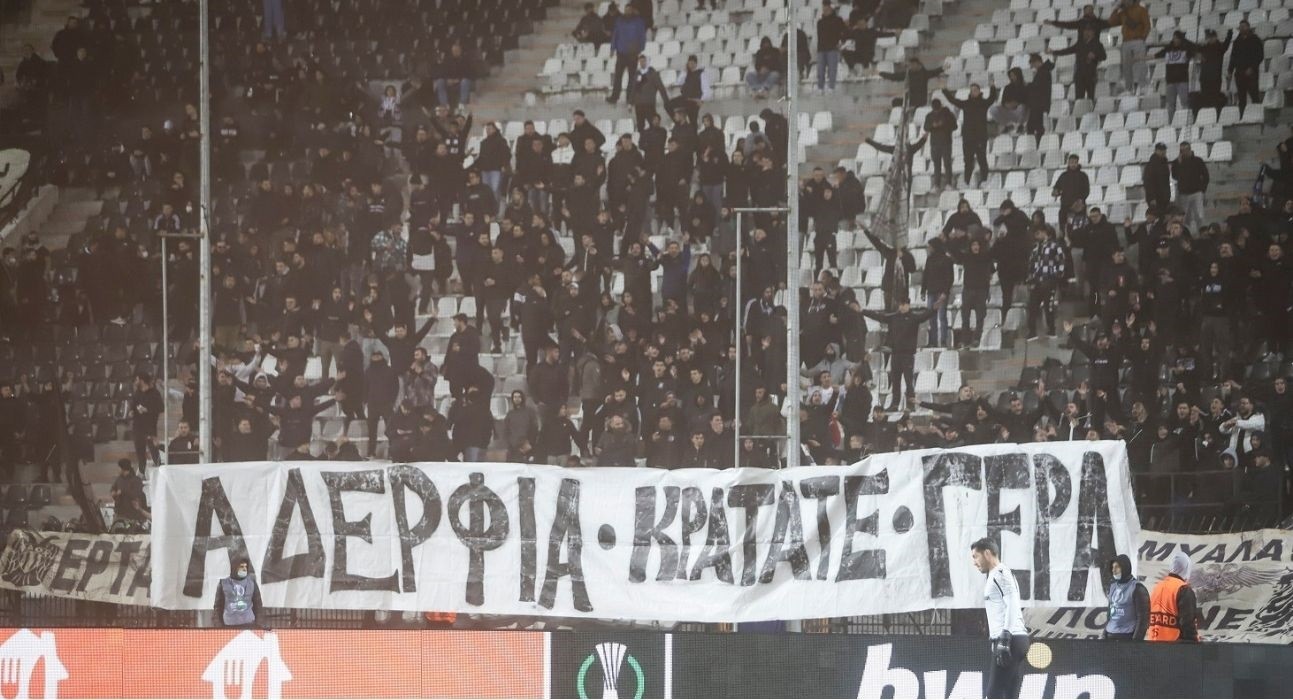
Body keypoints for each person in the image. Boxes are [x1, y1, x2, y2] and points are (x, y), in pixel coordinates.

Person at [970, 538, 1030, 699]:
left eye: (976, 556)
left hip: (1011, 639)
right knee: (1009, 695)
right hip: (1013, 639)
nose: (974, 562)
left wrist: (1005, 637)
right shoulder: (995, 575)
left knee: (994, 694)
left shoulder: (1000, 573)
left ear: (987, 553)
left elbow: (1013, 604)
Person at [1147, 551, 1199, 642]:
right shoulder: (1183, 589)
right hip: (1174, 646)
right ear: (1187, 568)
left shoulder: (1157, 587)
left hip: (1153, 643)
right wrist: (1194, 643)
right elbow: (1188, 624)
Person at [607, 4, 647, 104]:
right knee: (618, 76)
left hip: (633, 53)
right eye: (626, 10)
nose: (627, 11)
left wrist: (641, 48)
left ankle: (630, 98)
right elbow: (615, 34)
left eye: (629, 10)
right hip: (621, 53)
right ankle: (614, 97)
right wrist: (612, 48)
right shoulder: (619, 20)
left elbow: (642, 35)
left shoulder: (639, 21)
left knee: (632, 77)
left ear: (632, 10)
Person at [1107, 0, 1150, 93]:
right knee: (1126, 67)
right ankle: (1129, 88)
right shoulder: (1123, 13)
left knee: (1140, 64)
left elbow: (1147, 25)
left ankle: (1141, 87)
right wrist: (1116, 8)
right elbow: (1111, 22)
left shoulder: (1141, 10)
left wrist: (1142, 38)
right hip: (1126, 41)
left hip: (1138, 40)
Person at [1105, 554, 1149, 640]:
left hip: (1127, 637)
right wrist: (1104, 634)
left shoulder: (1137, 588)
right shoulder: (1113, 587)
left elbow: (1143, 620)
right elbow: (1109, 615)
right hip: (1110, 636)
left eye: (1117, 567)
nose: (1113, 570)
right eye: (1112, 567)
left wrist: (1134, 644)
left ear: (1125, 567)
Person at [213, 557, 266, 629]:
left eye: (245, 566)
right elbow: (218, 607)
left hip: (249, 624)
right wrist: (218, 625)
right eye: (241, 566)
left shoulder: (252, 582)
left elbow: (258, 605)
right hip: (229, 625)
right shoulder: (223, 583)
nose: (244, 569)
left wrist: (259, 624)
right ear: (235, 567)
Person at [1154, 31, 1196, 121]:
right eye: (1174, 38)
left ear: (1181, 39)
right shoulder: (1168, 49)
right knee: (1170, 105)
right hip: (1170, 82)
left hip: (1182, 81)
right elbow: (1155, 55)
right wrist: (1139, 58)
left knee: (1185, 103)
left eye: (1177, 38)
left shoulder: (1186, 48)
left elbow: (1195, 49)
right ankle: (1171, 122)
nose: (1175, 40)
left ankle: (1188, 120)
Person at [1172, 142, 1209, 233]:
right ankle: (1185, 235)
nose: (1183, 152)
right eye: (1181, 150)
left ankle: (1202, 234)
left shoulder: (1198, 161)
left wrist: (1202, 190)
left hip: (1197, 193)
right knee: (1184, 218)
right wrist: (1179, 164)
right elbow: (1175, 176)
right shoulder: (1176, 162)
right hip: (1183, 194)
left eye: (1185, 150)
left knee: (1199, 216)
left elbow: (1206, 176)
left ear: (1189, 149)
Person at [1229, 20, 1264, 112]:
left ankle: (1257, 114)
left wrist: (1252, 68)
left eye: (1244, 26)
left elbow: (1260, 55)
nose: (1242, 28)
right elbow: (1233, 57)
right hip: (1239, 73)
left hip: (1251, 73)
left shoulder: (1255, 39)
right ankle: (1242, 116)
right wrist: (1230, 71)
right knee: (1241, 98)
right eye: (1240, 27)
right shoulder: (1237, 41)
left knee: (1254, 96)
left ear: (1248, 27)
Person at [816, 2, 848, 91]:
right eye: (824, 9)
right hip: (821, 48)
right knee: (820, 71)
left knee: (832, 70)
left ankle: (831, 87)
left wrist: (841, 41)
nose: (825, 11)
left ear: (830, 9)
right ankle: (820, 88)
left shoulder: (838, 20)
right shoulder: (820, 22)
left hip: (833, 48)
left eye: (827, 9)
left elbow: (845, 32)